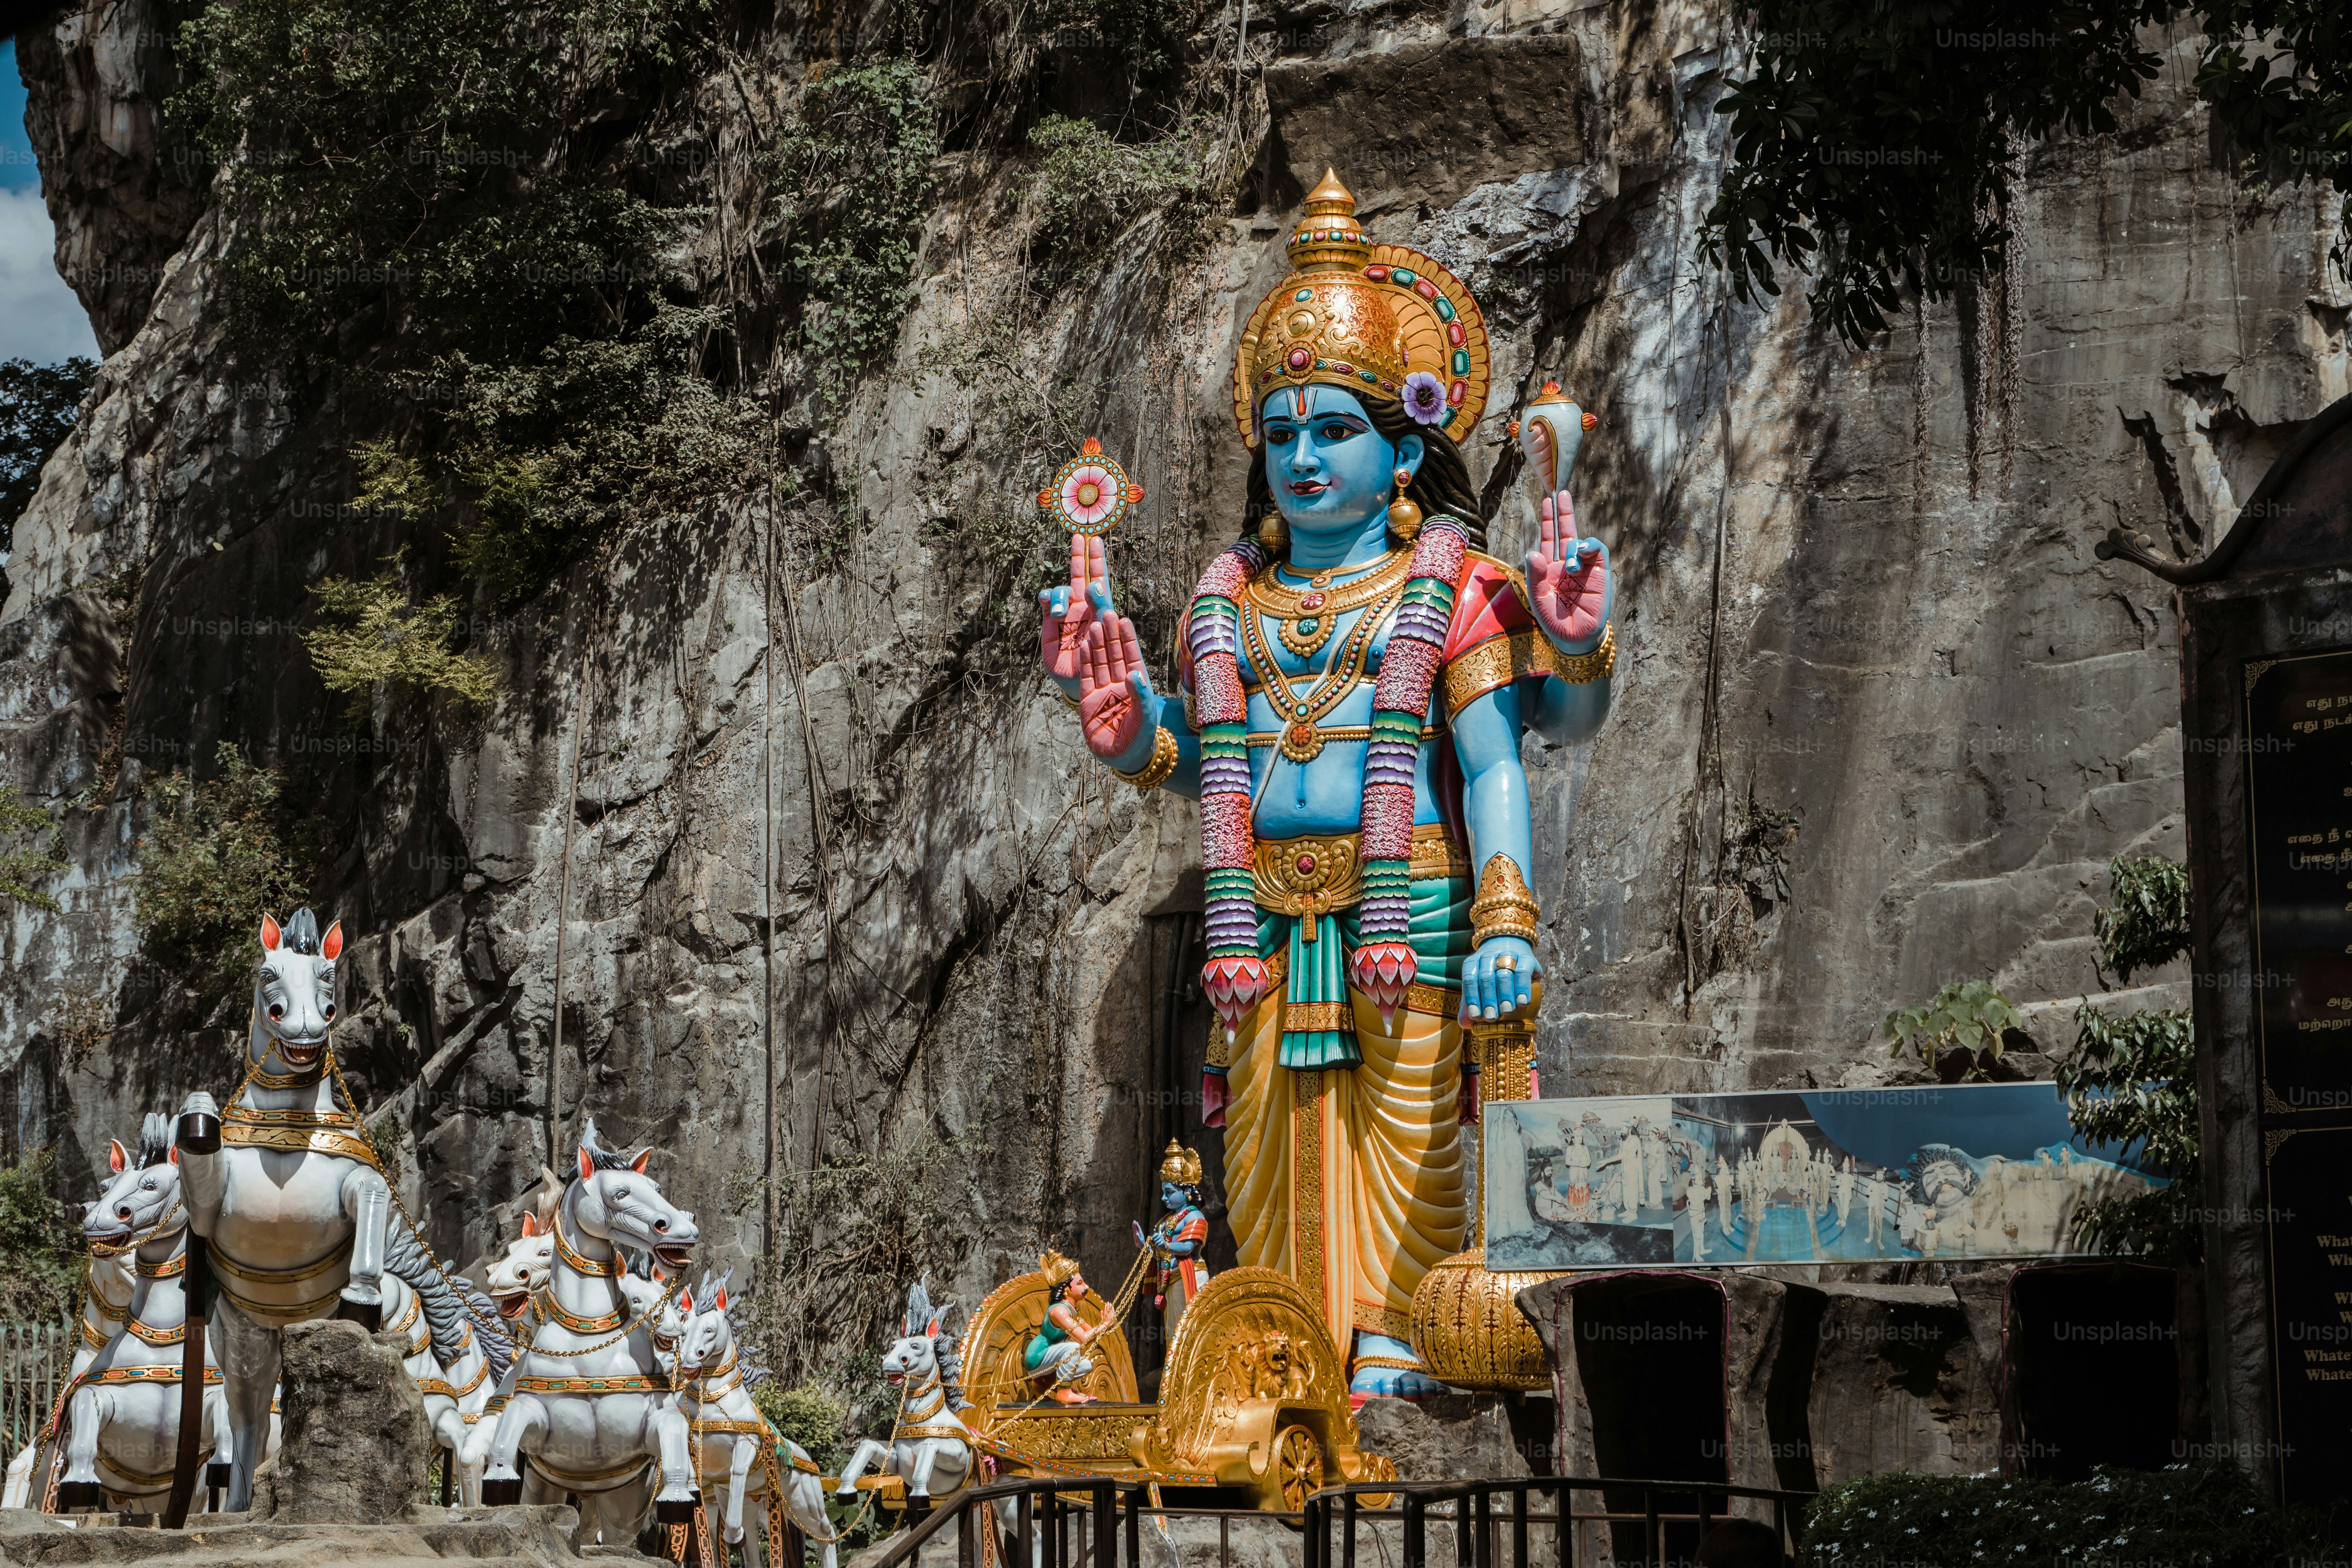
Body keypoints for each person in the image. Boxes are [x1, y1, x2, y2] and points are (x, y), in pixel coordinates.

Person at [1041, 170, 1617, 1399]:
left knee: (1404, 1145)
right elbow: (1210, 761)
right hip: (1260, 924)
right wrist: (1126, 724)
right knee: (1264, 1148)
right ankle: (1280, 1345)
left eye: (1334, 428)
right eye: (1284, 432)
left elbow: (1507, 752)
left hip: (1410, 910)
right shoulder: (1228, 606)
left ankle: (1404, 1338)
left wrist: (1508, 913)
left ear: (1403, 442)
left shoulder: (1449, 586)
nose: (1303, 457)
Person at [1135, 1142, 1212, 1349]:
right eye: (1164, 1192)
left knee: (1190, 1333)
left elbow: (1187, 1247)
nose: (1164, 1198)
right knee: (1173, 1338)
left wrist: (1165, 1248)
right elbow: (1160, 1254)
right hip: (1170, 1283)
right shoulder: (1166, 1221)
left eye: (1169, 1192)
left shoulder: (1195, 1216)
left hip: (1189, 1278)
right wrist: (1145, 1246)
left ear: (1187, 1192)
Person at [1023, 1251, 1106, 1404]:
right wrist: (1105, 1325)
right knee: (1073, 1348)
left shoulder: (1073, 1312)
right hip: (1037, 1357)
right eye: (1080, 1284)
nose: (1086, 1286)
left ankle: (1045, 1383)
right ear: (1067, 1289)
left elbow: (1090, 1333)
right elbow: (1082, 1339)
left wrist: (1105, 1324)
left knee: (1086, 1365)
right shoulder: (1059, 1311)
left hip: (1049, 1361)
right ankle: (1064, 1393)